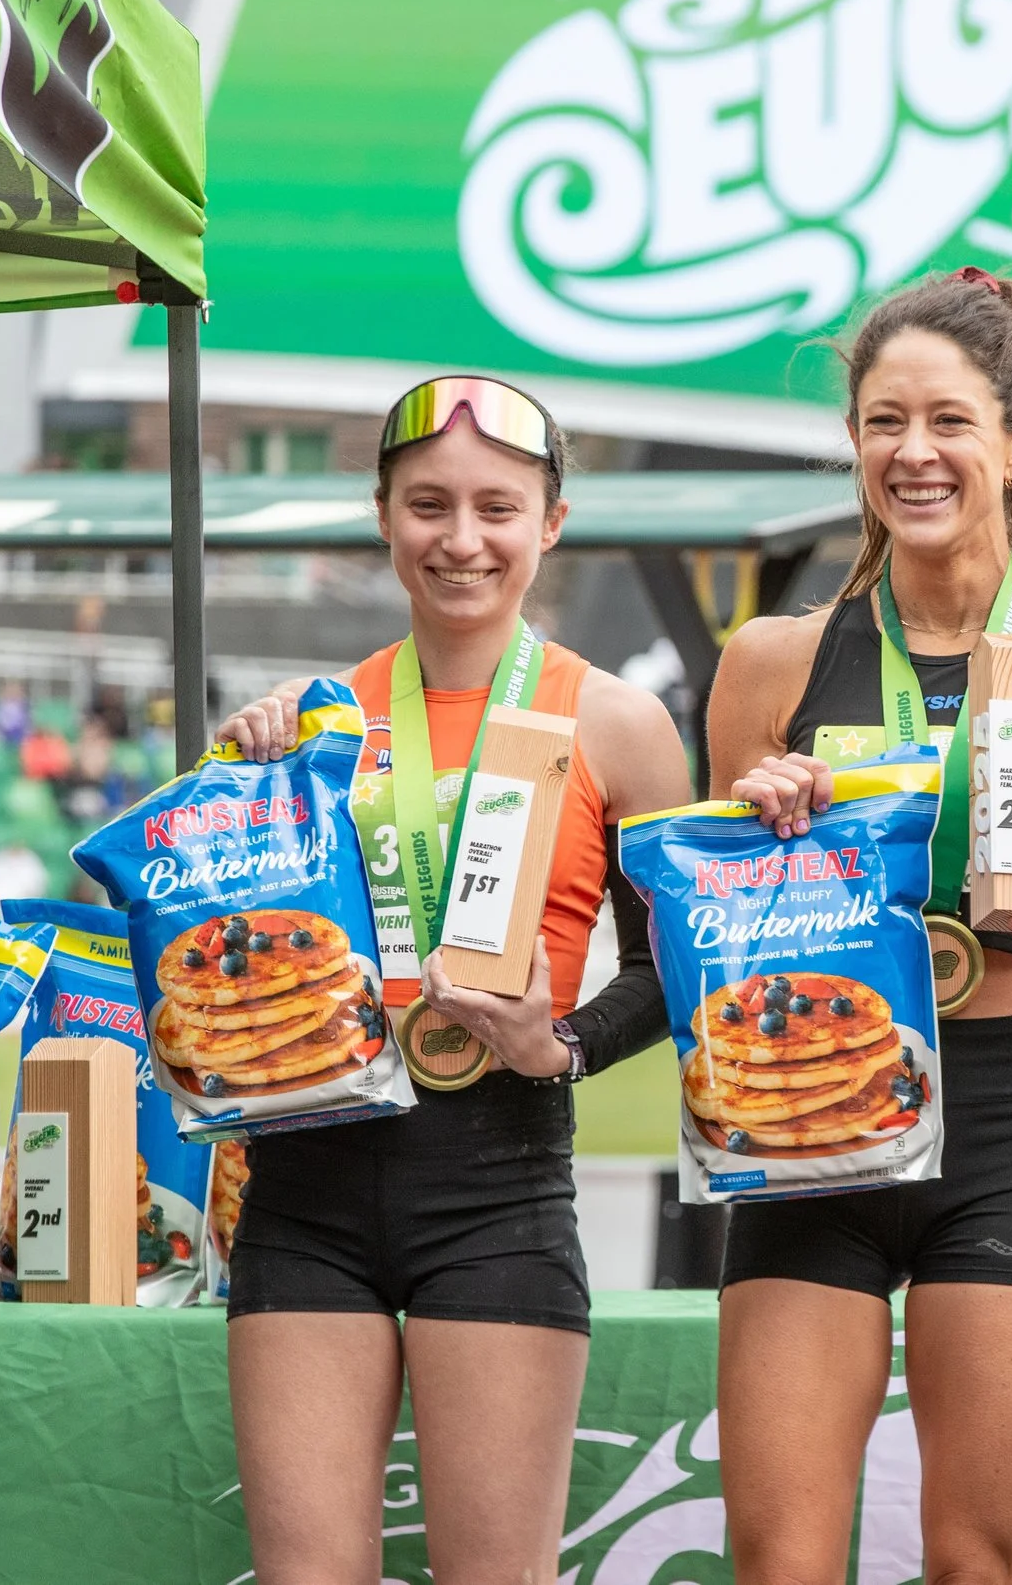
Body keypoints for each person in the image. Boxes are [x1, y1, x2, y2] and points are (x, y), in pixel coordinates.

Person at [705, 268, 1012, 1584]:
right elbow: (712, 944)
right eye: (882, 421)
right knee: (781, 1555)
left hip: (1006, 1122)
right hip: (813, 1119)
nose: (913, 453)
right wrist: (754, 841)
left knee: (976, 1556)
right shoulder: (772, 662)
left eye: (949, 421)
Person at [212, 376, 689, 1584]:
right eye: (428, 504)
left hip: (498, 1191)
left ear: (553, 521)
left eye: (497, 506)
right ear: (382, 515)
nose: (461, 539)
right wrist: (245, 781)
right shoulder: (307, 724)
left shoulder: (620, 724)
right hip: (305, 1195)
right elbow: (228, 954)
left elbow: (680, 973)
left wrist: (559, 1044)